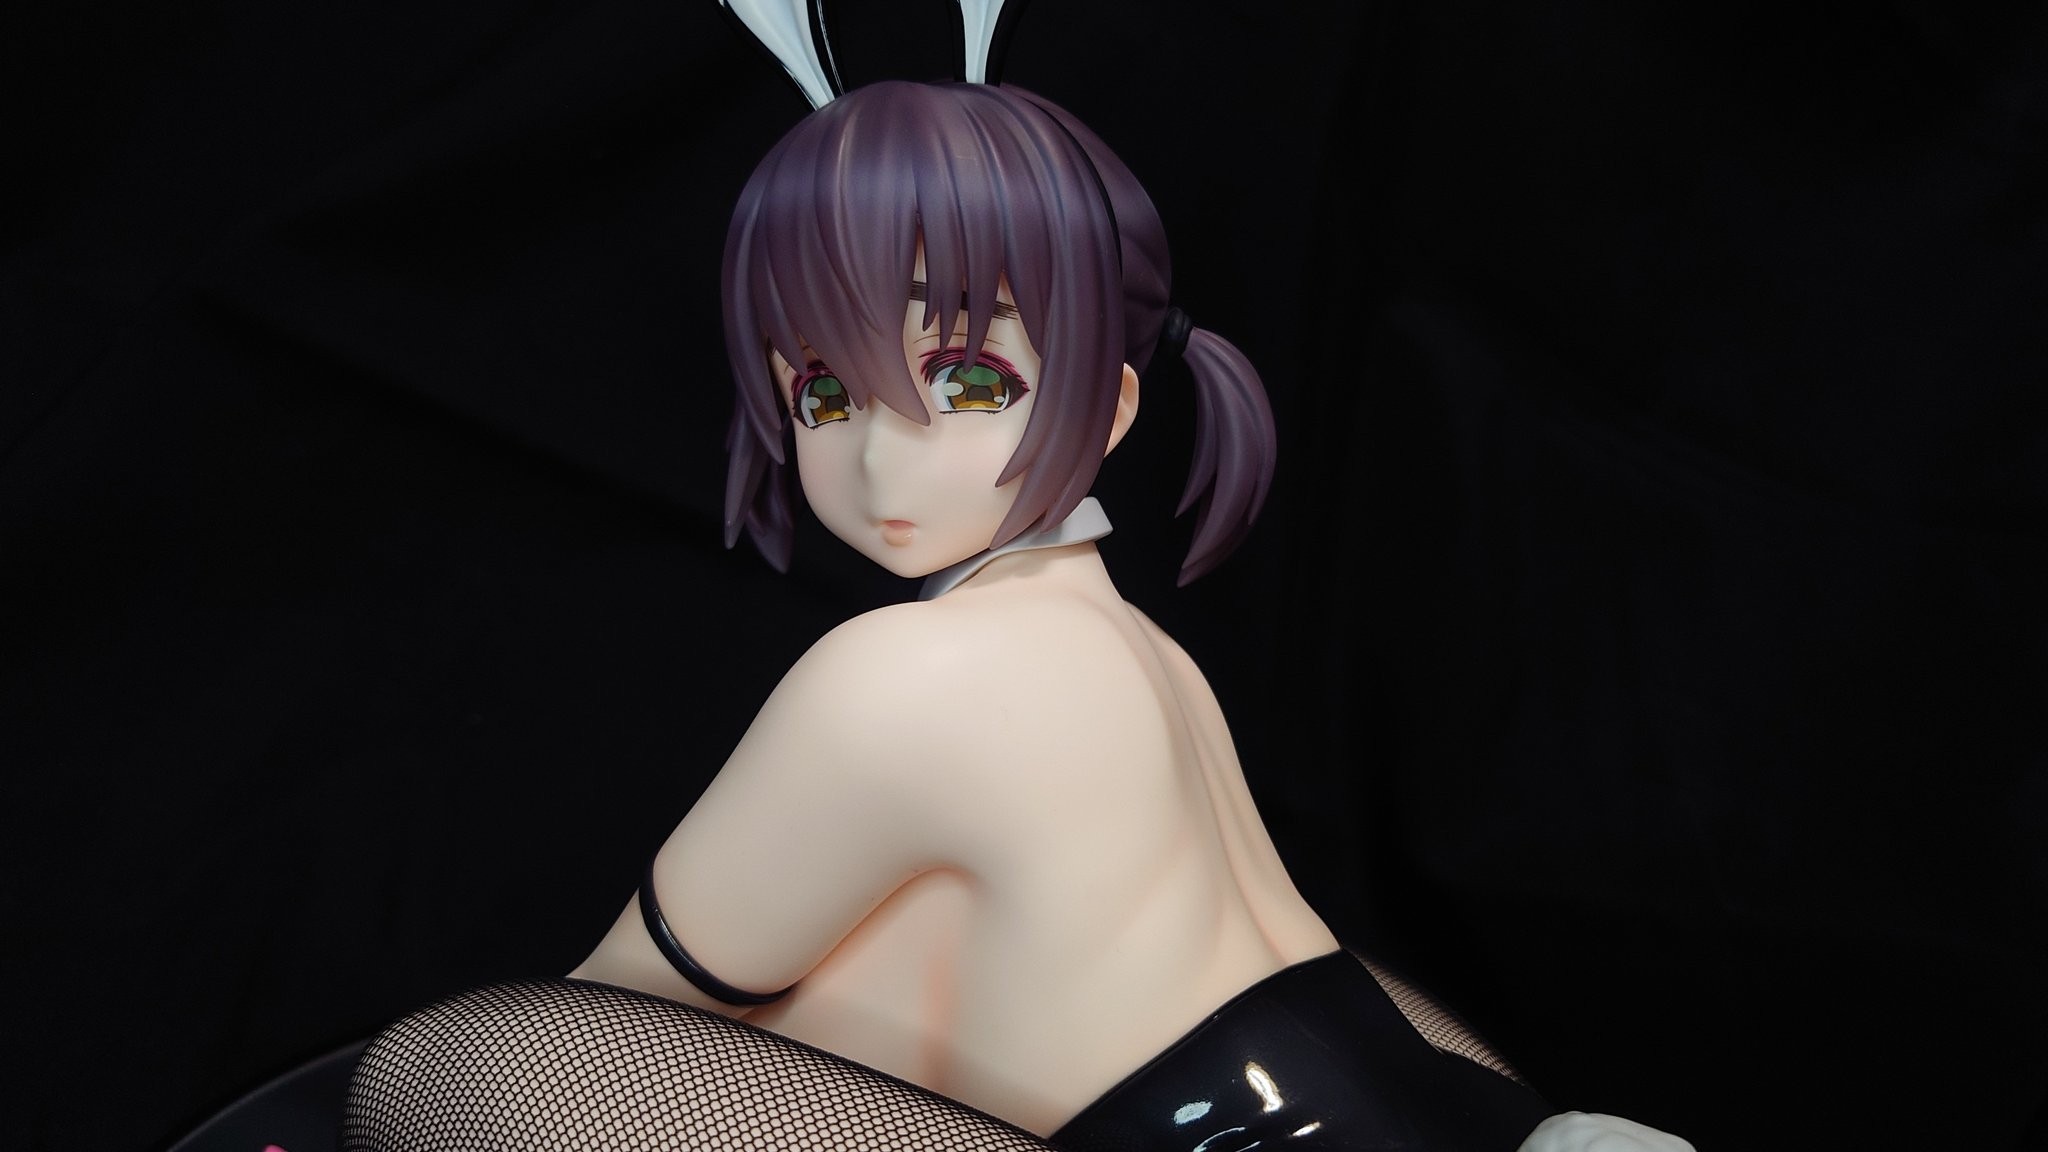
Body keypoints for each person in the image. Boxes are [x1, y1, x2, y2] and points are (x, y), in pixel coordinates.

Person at [342, 73, 1691, 1152]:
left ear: (1109, 405)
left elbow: (604, 1030)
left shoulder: (904, 675)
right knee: (899, 943)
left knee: (449, 1065)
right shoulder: (1139, 654)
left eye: (967, 379)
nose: (882, 460)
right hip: (1461, 1117)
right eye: (825, 394)